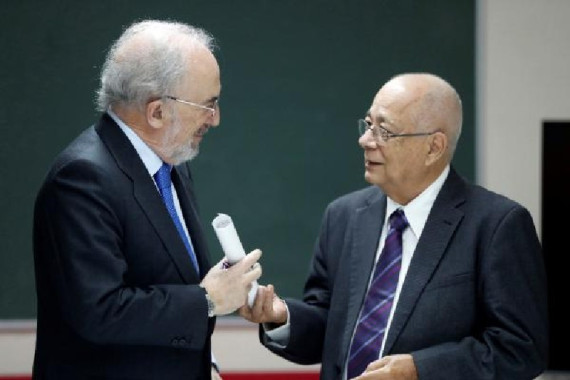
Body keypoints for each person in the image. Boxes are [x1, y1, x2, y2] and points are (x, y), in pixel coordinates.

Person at [240, 73, 548, 379]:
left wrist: (420, 371)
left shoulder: (496, 225)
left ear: (434, 147)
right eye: (368, 125)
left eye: (384, 131)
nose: (365, 140)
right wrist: (282, 318)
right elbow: (330, 325)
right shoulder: (344, 215)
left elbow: (521, 349)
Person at [32, 19, 262, 380]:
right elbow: (99, 312)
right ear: (157, 111)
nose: (215, 119)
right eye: (208, 104)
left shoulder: (170, 160)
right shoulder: (81, 179)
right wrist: (208, 300)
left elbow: (170, 279)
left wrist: (206, 361)